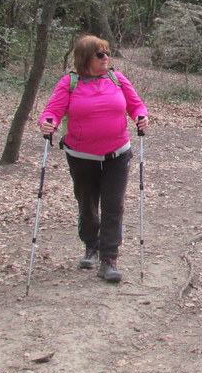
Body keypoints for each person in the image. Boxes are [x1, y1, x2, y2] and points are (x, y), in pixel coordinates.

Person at [39, 35, 149, 283]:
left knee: (114, 206)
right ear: (85, 58)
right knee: (87, 206)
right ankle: (92, 245)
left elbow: (136, 105)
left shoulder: (117, 79)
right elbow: (52, 111)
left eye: (107, 53)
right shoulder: (70, 82)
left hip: (117, 154)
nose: (105, 58)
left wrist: (141, 115)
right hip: (81, 156)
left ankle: (109, 259)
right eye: (99, 54)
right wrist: (48, 123)